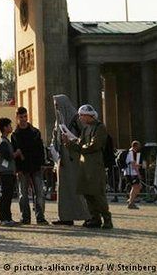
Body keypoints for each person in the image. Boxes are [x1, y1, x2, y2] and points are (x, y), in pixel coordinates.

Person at [63, 104, 113, 229]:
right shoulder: (86, 128)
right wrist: (69, 141)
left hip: (95, 165)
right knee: (87, 192)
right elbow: (81, 142)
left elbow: (94, 146)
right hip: (84, 164)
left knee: (97, 193)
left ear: (88, 116)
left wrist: (75, 146)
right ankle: (94, 218)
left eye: (81, 115)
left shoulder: (100, 127)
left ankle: (107, 219)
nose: (80, 118)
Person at [50, 95, 90, 225]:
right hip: (63, 159)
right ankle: (66, 217)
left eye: (57, 104)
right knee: (63, 190)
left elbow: (85, 137)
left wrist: (71, 139)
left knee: (77, 188)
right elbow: (54, 137)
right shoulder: (59, 120)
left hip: (75, 158)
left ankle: (87, 215)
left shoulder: (75, 118)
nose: (56, 107)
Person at [11, 107, 48, 225]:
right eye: (21, 117)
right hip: (22, 168)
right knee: (23, 195)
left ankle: (40, 217)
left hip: (36, 166)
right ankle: (25, 217)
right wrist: (17, 169)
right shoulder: (14, 135)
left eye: (25, 116)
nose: (23, 119)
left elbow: (40, 149)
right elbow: (15, 151)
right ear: (17, 117)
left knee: (40, 193)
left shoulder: (35, 132)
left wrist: (42, 163)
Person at [0, 118, 21, 227]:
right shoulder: (2, 142)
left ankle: (8, 217)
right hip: (5, 171)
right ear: (5, 127)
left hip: (9, 171)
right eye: (9, 125)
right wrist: (17, 153)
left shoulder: (6, 140)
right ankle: (4, 218)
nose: (11, 127)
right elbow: (8, 156)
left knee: (8, 195)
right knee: (5, 195)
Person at [124, 141, 143, 209]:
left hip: (131, 172)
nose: (139, 147)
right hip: (131, 173)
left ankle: (131, 200)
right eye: (138, 146)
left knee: (138, 186)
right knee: (135, 187)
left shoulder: (132, 153)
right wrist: (138, 174)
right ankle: (131, 203)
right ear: (135, 146)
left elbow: (133, 164)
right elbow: (133, 165)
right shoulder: (131, 153)